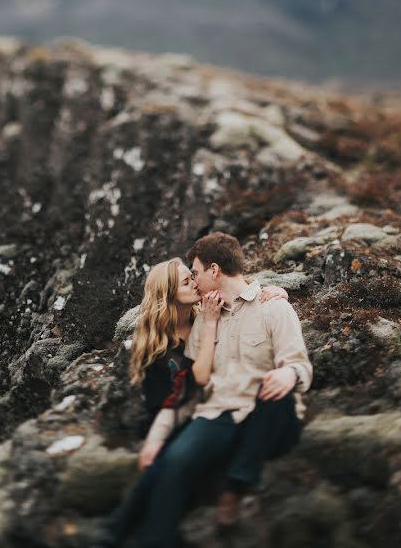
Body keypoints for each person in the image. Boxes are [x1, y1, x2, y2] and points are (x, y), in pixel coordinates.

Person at [129, 232, 312, 547]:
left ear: (214, 270)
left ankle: (234, 489)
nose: (195, 280)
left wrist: (289, 373)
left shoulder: (273, 308)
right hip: (216, 415)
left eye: (196, 272)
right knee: (174, 462)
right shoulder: (204, 320)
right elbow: (188, 393)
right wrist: (155, 441)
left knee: (273, 390)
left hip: (265, 415)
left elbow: (300, 364)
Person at [95, 257, 288, 547]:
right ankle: (120, 533)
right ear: (169, 293)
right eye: (187, 282)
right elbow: (173, 398)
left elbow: (244, 297)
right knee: (164, 466)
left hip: (208, 411)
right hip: (171, 416)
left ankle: (123, 532)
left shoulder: (206, 314)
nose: (195, 283)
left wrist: (277, 292)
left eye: (192, 276)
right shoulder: (158, 344)